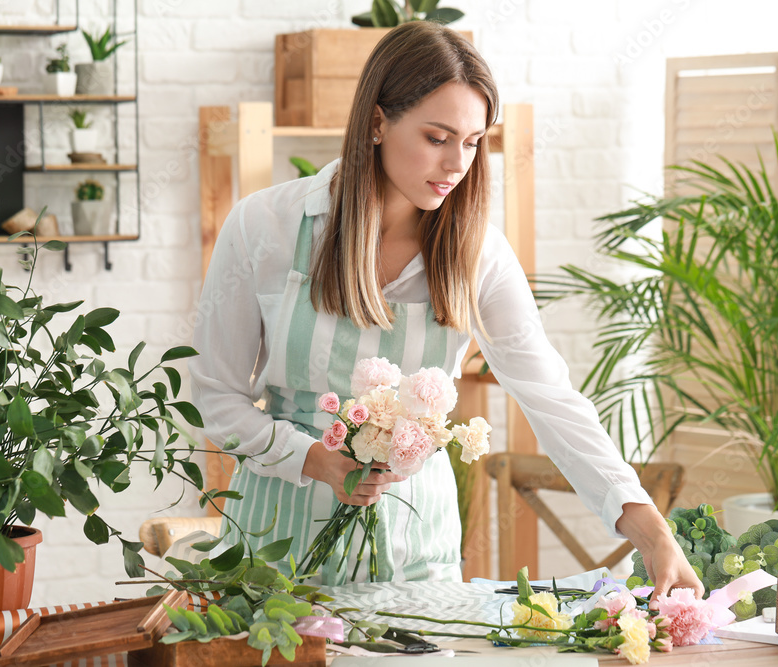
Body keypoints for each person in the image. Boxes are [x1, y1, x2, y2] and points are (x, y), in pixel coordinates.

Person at [190, 20, 703, 598]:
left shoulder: (477, 252)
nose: (457, 163)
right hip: (275, 548)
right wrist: (314, 459)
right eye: (437, 137)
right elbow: (215, 395)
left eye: (473, 141)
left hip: (419, 553)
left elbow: (551, 398)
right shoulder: (268, 225)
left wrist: (650, 530)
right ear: (378, 122)